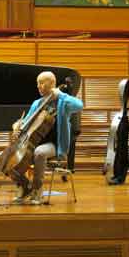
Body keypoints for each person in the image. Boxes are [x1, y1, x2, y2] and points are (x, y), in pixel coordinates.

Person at [10, 71, 83, 205]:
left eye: (42, 83)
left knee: (40, 152)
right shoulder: (37, 103)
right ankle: (24, 186)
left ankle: (37, 190)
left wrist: (60, 94)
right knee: (7, 158)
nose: (38, 86)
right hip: (33, 142)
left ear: (52, 84)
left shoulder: (63, 102)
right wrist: (17, 126)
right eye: (37, 83)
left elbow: (79, 105)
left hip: (55, 145)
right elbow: (25, 122)